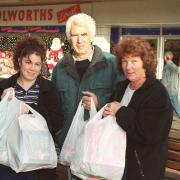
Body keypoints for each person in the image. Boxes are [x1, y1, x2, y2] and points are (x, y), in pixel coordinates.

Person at [51, 13, 124, 179]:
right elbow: (53, 106)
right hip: (70, 146)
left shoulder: (112, 64)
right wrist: (59, 135)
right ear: (69, 38)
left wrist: (101, 102)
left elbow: (124, 100)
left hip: (100, 151)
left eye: (83, 34)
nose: (79, 40)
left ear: (91, 36)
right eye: (75, 35)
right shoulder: (60, 68)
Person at [103, 36, 173, 180]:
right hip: (118, 166)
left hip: (143, 169)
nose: (128, 67)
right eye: (124, 61)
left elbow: (149, 132)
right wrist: (105, 111)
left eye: (134, 61)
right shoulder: (121, 88)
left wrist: (120, 111)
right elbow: (110, 117)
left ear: (145, 63)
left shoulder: (156, 92)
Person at [0, 36, 63, 180]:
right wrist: (2, 102)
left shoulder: (50, 89)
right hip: (8, 161)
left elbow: (57, 122)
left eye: (37, 64)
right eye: (28, 62)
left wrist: (30, 110)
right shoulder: (3, 87)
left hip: (39, 162)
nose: (32, 68)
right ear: (19, 61)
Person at [161, 51, 180, 118]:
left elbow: (165, 81)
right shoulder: (175, 66)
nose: (163, 58)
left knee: (176, 108)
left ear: (167, 57)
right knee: (170, 108)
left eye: (164, 56)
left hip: (169, 91)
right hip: (174, 90)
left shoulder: (167, 67)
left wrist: (161, 88)